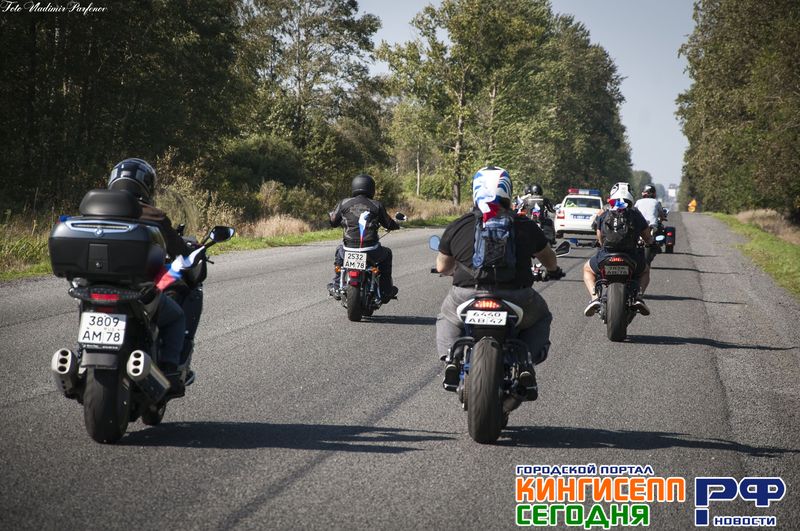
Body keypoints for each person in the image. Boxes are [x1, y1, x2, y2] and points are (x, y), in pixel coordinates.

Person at [434, 166, 564, 394]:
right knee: (541, 316)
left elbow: (442, 267)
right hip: (517, 296)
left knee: (446, 316)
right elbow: (549, 259)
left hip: (466, 295)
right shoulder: (525, 225)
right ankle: (526, 363)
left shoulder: (459, 224)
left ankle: (450, 359)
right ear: (507, 191)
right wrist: (553, 270)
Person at [107, 158, 193, 391]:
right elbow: (179, 251)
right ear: (145, 185)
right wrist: (188, 251)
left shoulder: (93, 210)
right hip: (135, 290)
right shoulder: (153, 215)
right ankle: (170, 372)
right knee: (176, 318)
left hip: (93, 285)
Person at [328, 174, 400, 303]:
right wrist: (396, 225)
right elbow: (388, 223)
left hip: (348, 249)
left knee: (339, 251)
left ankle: (337, 285)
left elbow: (333, 222)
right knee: (387, 253)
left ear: (354, 187)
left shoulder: (344, 203)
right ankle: (385, 290)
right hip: (371, 250)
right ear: (371, 188)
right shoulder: (376, 205)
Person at [582, 184, 652, 317]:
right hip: (631, 257)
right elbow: (647, 237)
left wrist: (603, 245)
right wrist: (650, 243)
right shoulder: (636, 215)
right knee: (645, 270)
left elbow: (599, 237)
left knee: (587, 269)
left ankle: (594, 298)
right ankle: (638, 296)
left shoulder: (604, 214)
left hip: (606, 256)